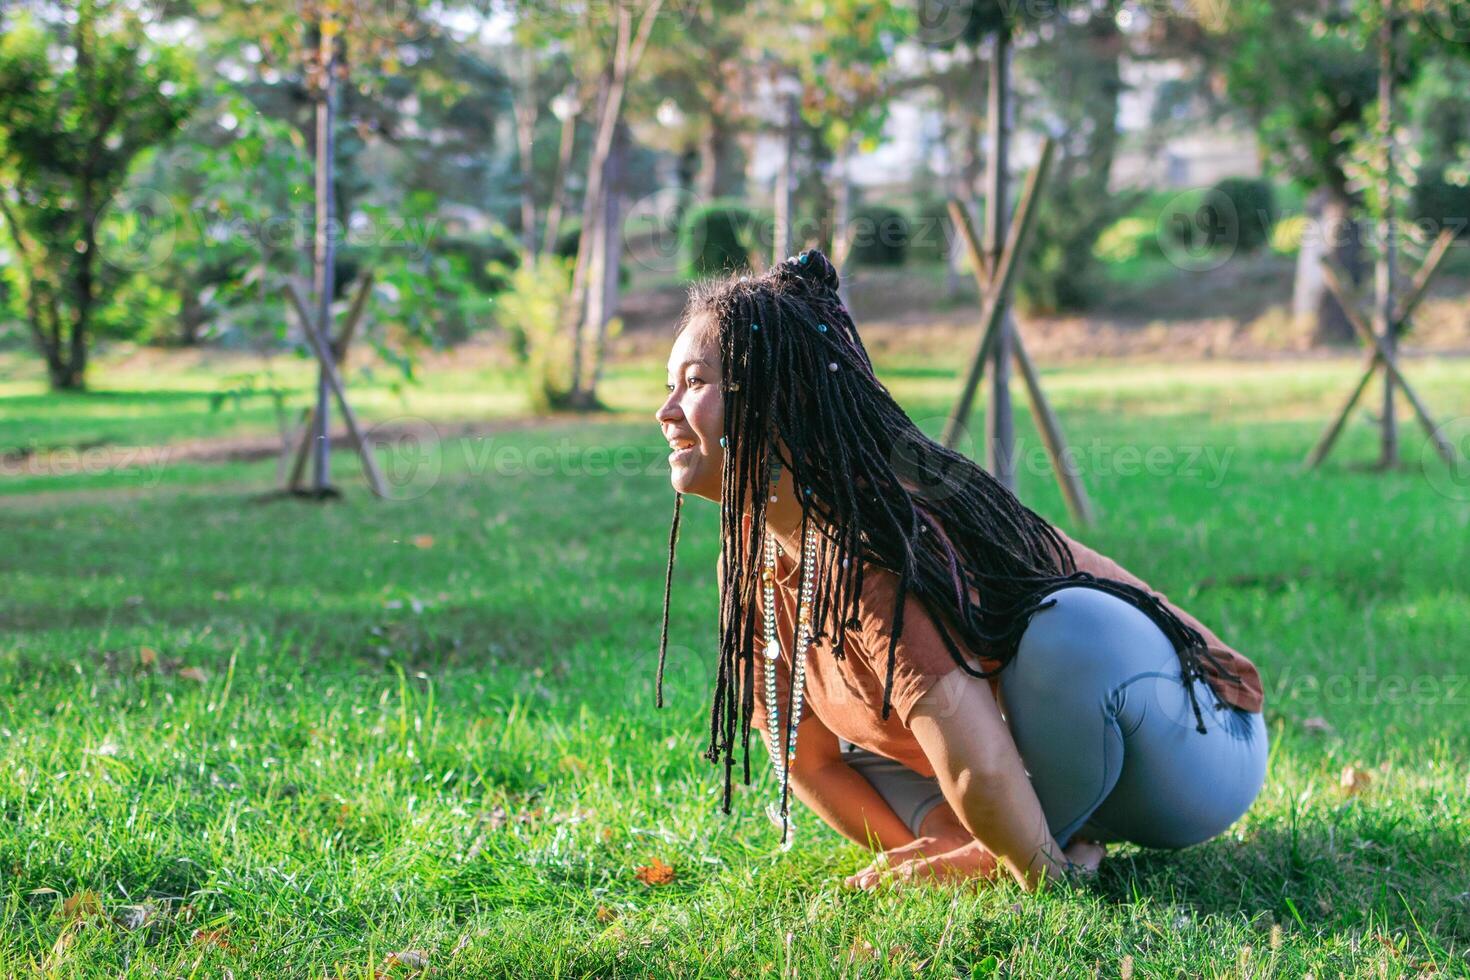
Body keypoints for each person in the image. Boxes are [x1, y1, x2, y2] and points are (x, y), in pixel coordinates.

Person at [652, 248, 1267, 892]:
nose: (666, 413)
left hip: (1186, 744)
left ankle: (1036, 855)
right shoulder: (749, 556)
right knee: (850, 723)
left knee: (1069, 631)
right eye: (668, 386)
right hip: (1048, 766)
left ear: (786, 398)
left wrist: (1025, 869)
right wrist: (927, 854)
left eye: (694, 383)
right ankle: (1018, 841)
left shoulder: (882, 540)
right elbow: (808, 758)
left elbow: (979, 762)